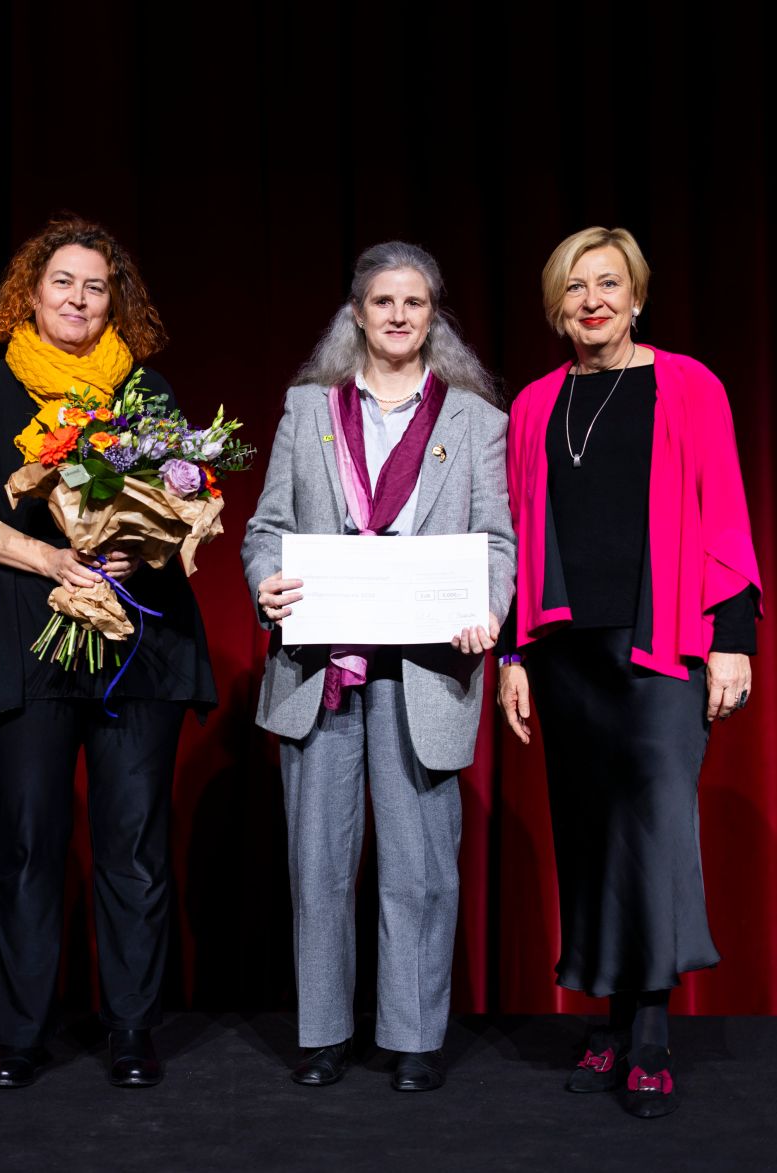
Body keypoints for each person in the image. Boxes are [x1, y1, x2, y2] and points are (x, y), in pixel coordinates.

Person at [0, 217, 215, 1089]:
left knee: (132, 841)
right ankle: (22, 1031)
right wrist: (52, 556)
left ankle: (131, 1026)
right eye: (63, 282)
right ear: (31, 290)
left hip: (139, 641)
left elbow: (188, 502)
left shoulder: (145, 391)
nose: (79, 299)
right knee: (26, 841)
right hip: (29, 637)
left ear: (114, 301)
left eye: (96, 287)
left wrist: (144, 542)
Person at [496, 226, 761, 1119]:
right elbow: (519, 538)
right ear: (556, 306)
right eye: (576, 288)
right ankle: (606, 1020)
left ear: (637, 294)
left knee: (651, 833)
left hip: (663, 648)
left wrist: (733, 637)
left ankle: (648, 1030)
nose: (592, 300)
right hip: (564, 653)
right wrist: (513, 653)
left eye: (608, 283)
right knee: (588, 836)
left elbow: (724, 510)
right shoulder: (534, 404)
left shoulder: (689, 385)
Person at [241, 242, 515, 1093]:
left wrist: (489, 609)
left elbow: (499, 543)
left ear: (435, 317)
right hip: (321, 668)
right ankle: (323, 1032)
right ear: (355, 312)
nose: (399, 316)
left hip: (427, 672)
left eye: (417, 303)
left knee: (421, 864)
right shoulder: (307, 407)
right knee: (318, 863)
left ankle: (414, 1036)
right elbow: (265, 529)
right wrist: (267, 585)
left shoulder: (476, 422)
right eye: (383, 301)